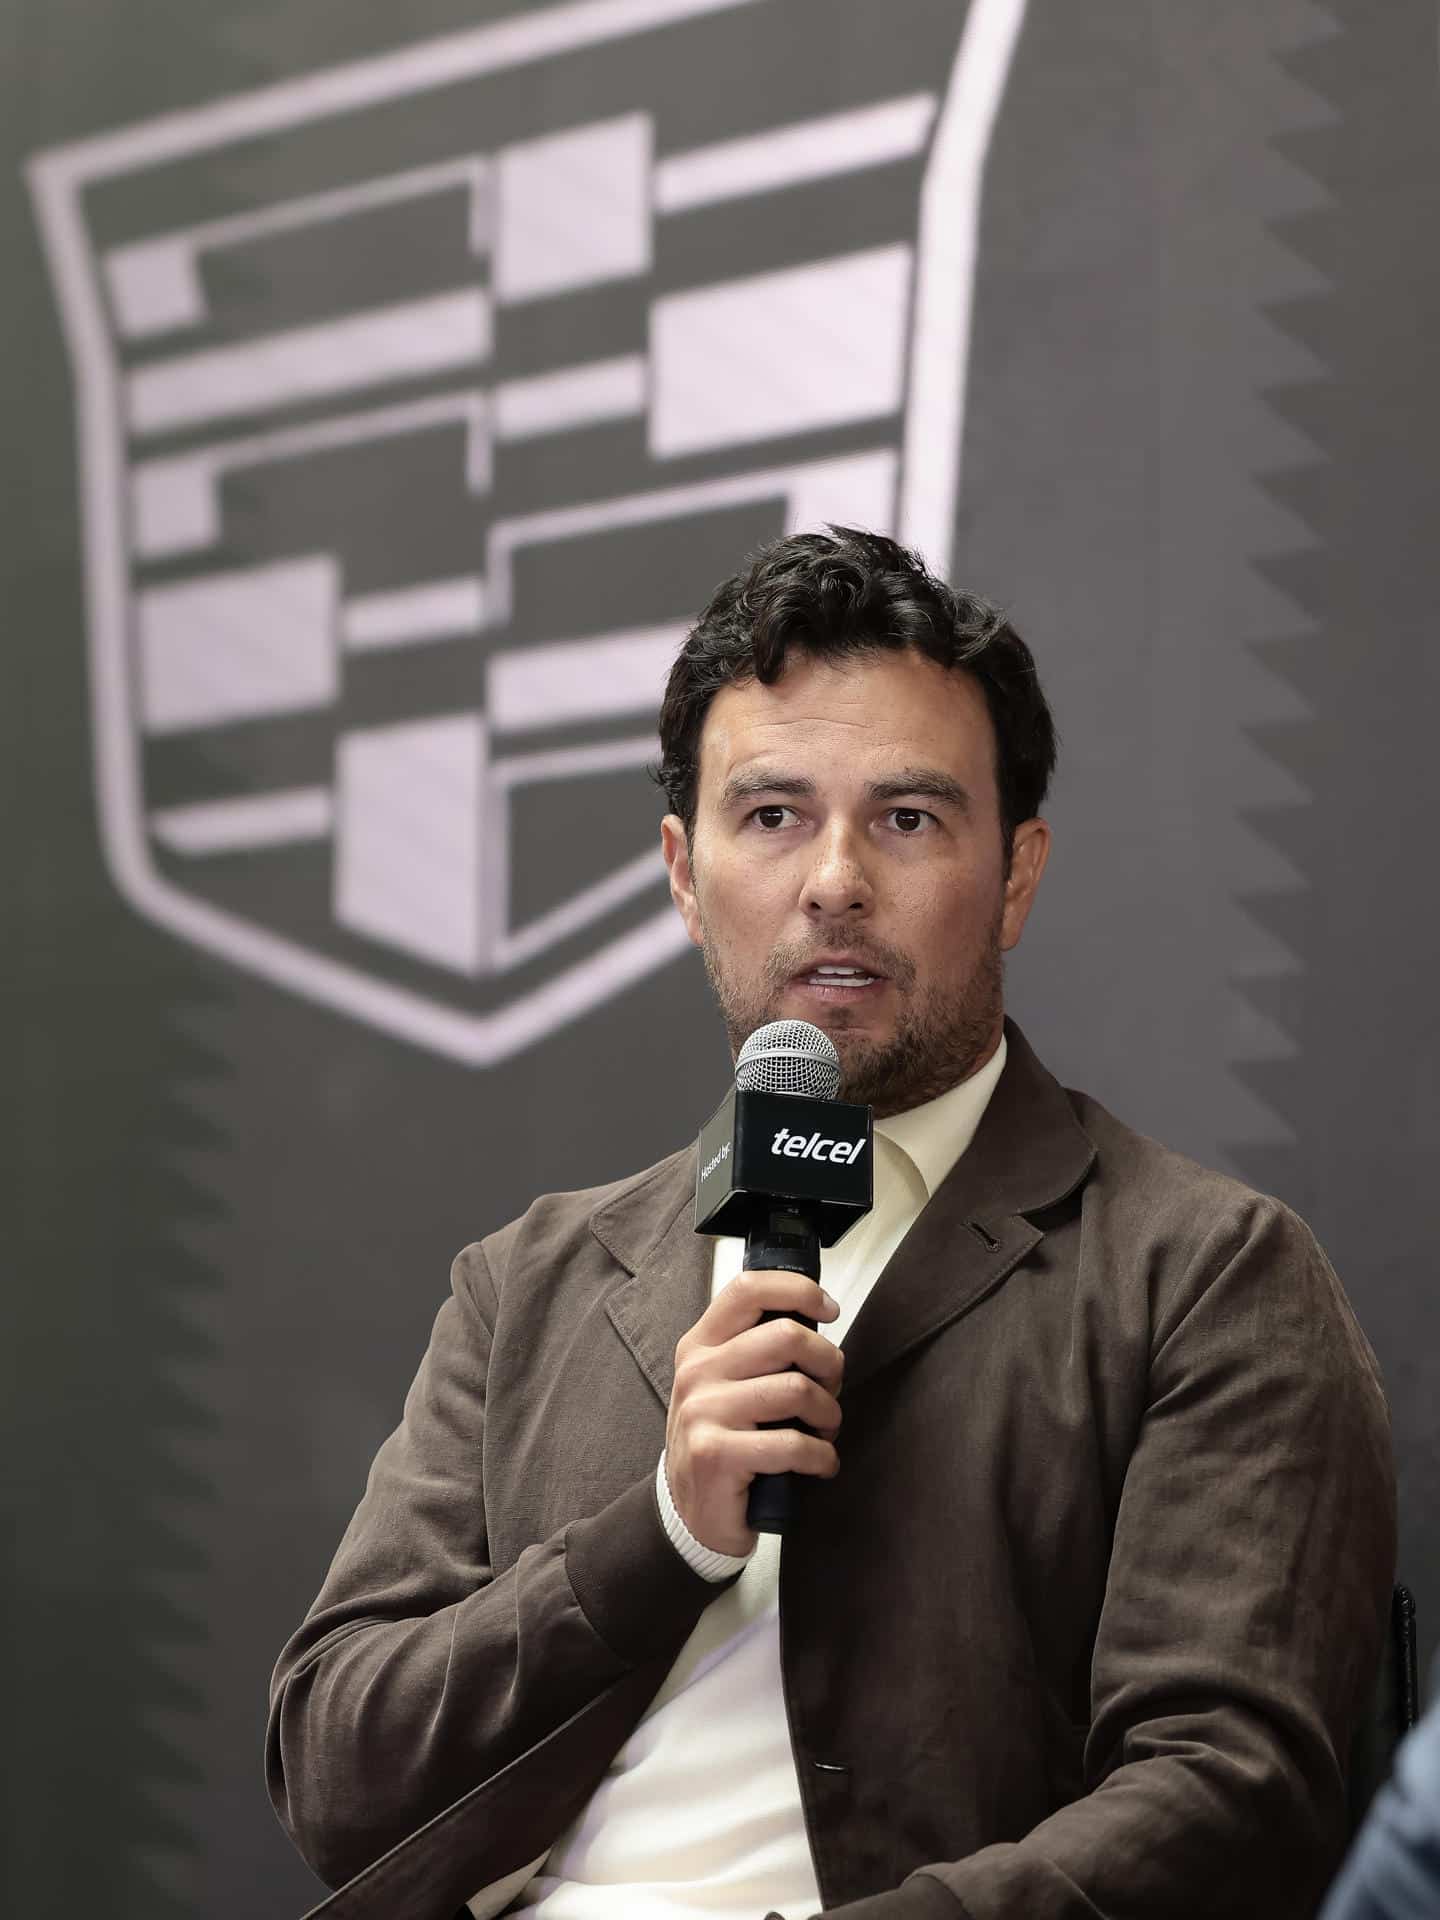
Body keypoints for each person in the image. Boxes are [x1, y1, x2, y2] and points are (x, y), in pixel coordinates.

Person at [267, 528, 1396, 1920]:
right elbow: (337, 1773)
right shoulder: (535, 1284)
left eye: (909, 818)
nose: (836, 881)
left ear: (1019, 875)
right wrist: (663, 1533)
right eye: (774, 815)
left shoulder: (1203, 1272)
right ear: (685, 875)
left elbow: (1232, 1796)